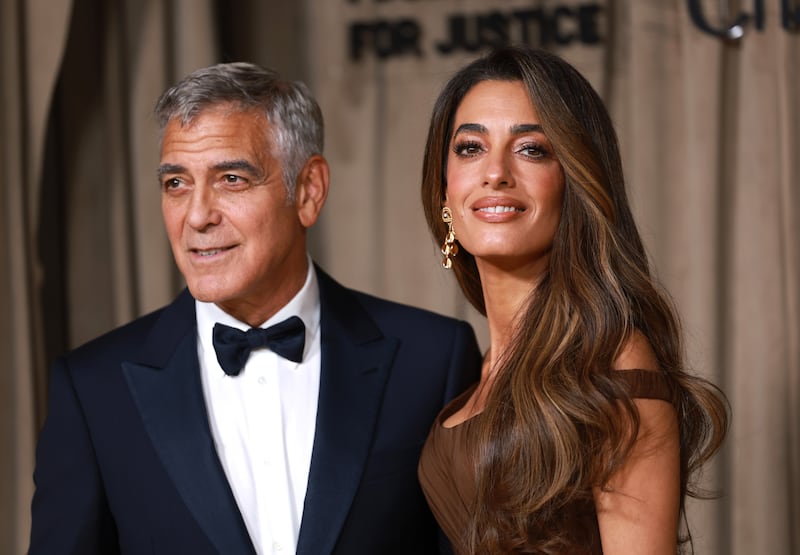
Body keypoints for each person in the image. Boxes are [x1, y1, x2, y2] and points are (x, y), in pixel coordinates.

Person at [29, 62, 482, 555]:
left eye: (231, 179)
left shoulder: (432, 359)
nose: (197, 216)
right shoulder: (94, 389)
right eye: (176, 184)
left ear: (308, 190)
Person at [417, 45, 729, 554]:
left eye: (532, 149)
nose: (495, 172)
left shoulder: (610, 358)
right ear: (444, 192)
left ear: (576, 183)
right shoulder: (484, 367)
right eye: (470, 148)